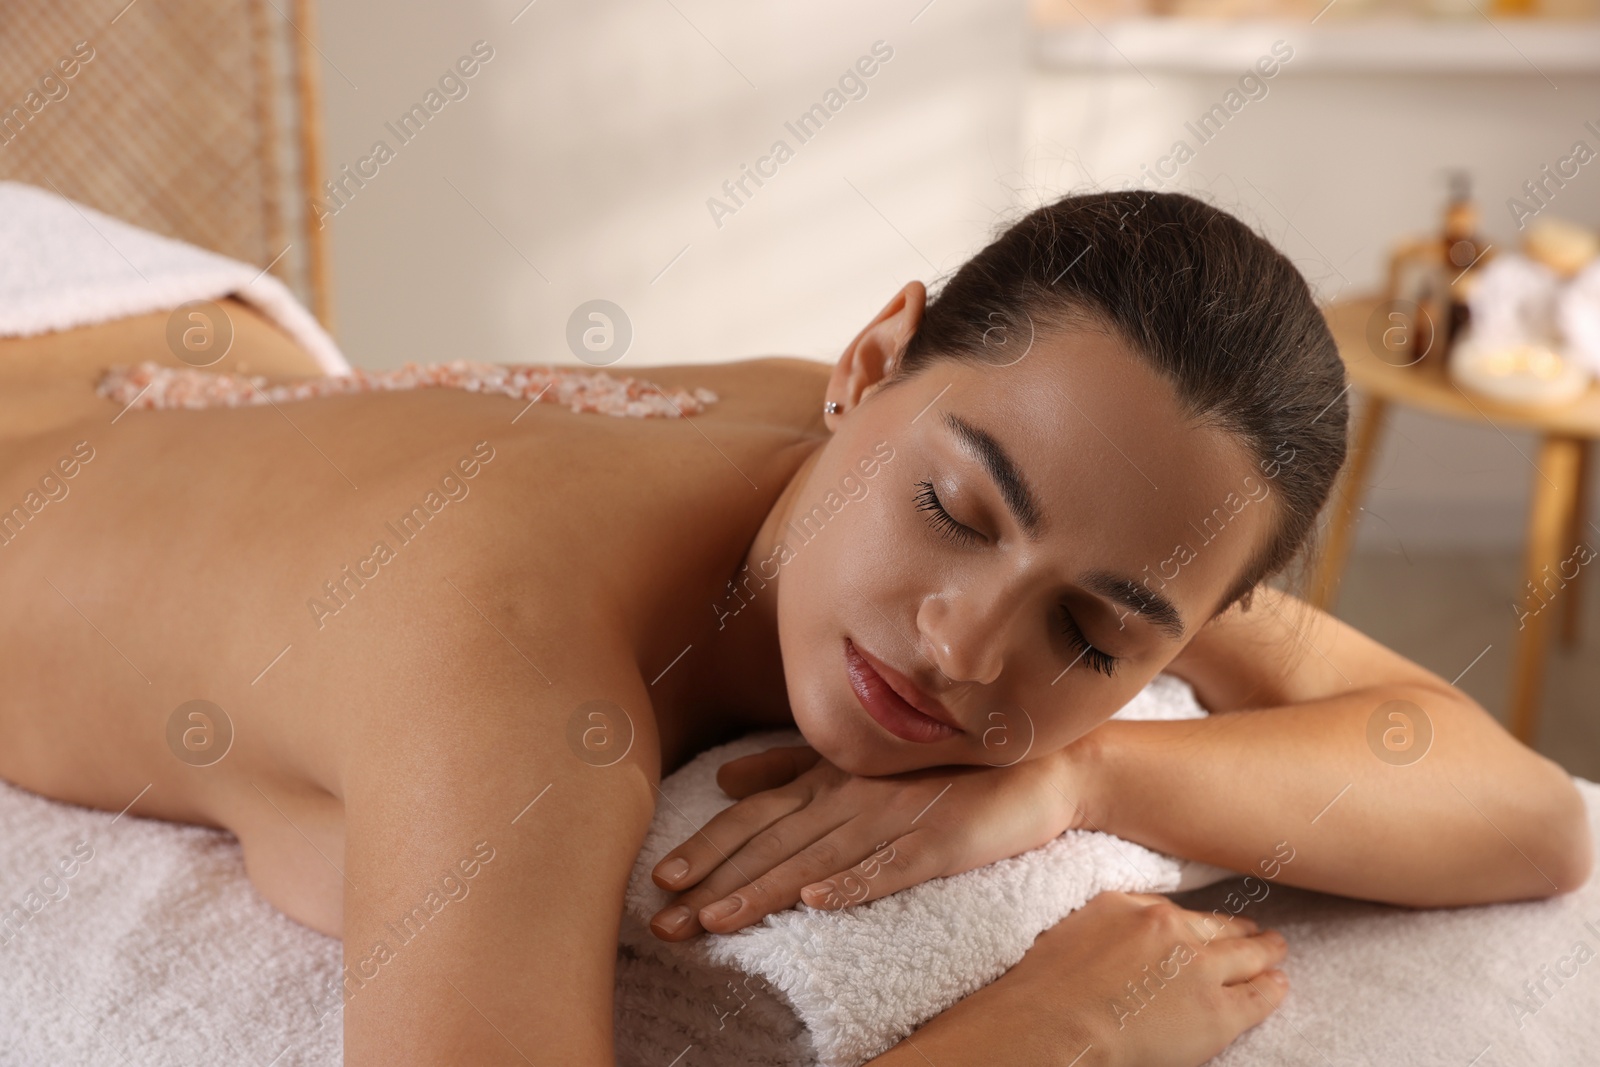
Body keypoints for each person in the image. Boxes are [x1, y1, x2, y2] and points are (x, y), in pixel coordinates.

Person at [0, 190, 1587, 1067]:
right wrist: (1055, 1037)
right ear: (872, 359)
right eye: (959, 512)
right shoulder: (511, 665)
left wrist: (1087, 783)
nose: (969, 647)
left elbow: (1525, 813)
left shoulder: (989, 472)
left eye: (1097, 646)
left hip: (211, 395)